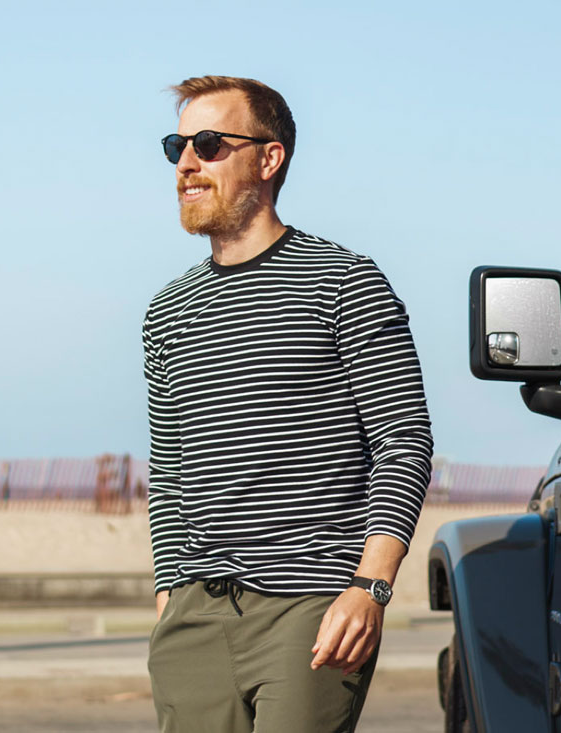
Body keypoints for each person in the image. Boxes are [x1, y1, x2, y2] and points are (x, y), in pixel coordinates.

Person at [143, 75, 433, 733]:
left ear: (268, 158)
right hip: (194, 611)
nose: (187, 163)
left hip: (311, 608)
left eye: (209, 144)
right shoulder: (167, 311)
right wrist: (169, 590)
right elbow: (169, 468)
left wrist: (371, 587)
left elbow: (403, 440)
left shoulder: (346, 282)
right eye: (176, 146)